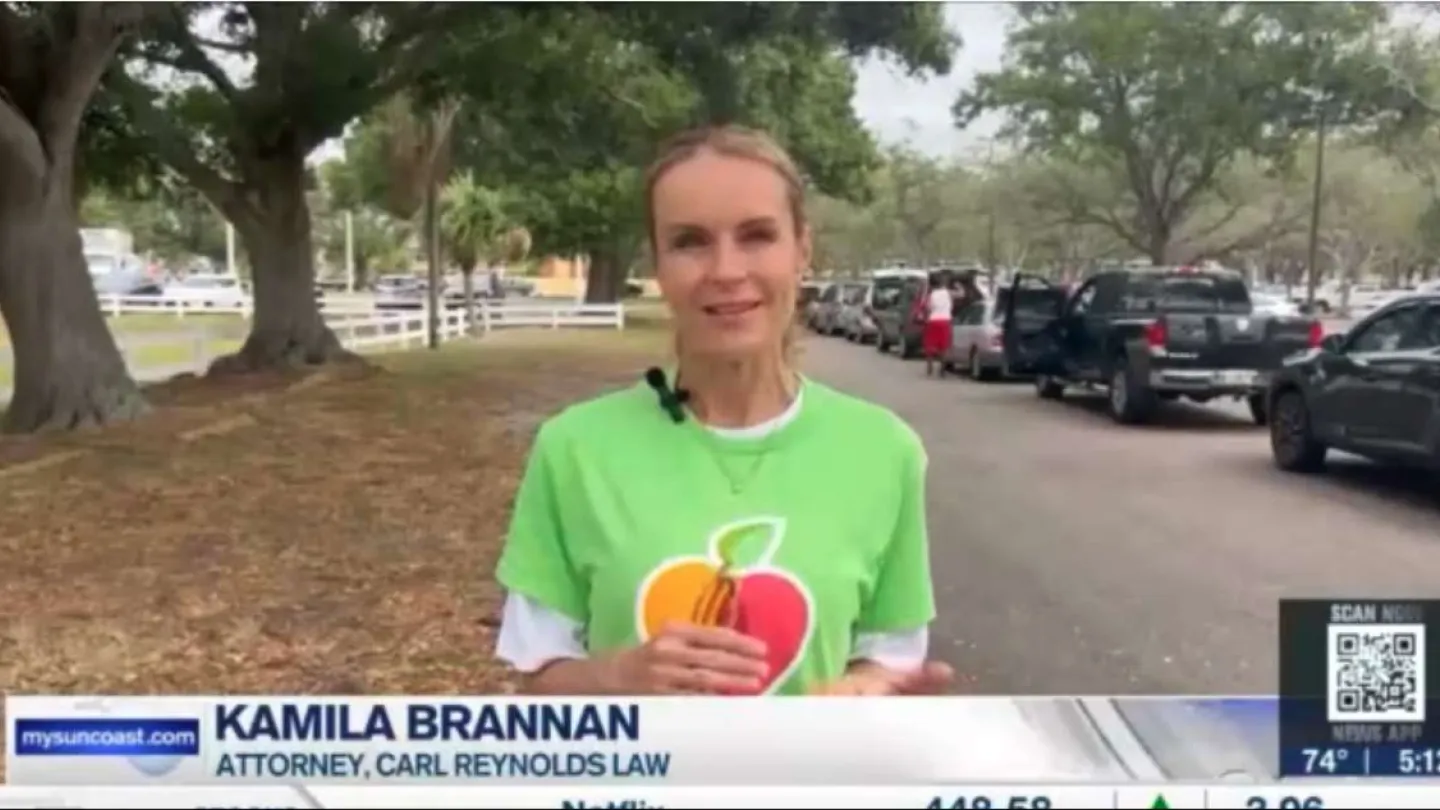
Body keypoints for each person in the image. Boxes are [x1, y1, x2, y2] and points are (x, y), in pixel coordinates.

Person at [493, 124, 953, 697]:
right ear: (659, 264)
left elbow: (889, 659)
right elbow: (537, 681)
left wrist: (869, 690)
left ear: (802, 251)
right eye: (690, 242)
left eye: (757, 235)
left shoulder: (885, 450)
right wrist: (617, 678)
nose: (726, 271)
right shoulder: (573, 449)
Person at [920, 270, 954, 378]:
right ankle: (942, 369)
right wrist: (959, 287)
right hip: (945, 321)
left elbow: (927, 307)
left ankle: (930, 367)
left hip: (933, 320)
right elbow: (961, 294)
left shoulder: (931, 295)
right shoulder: (948, 292)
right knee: (943, 347)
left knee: (930, 345)